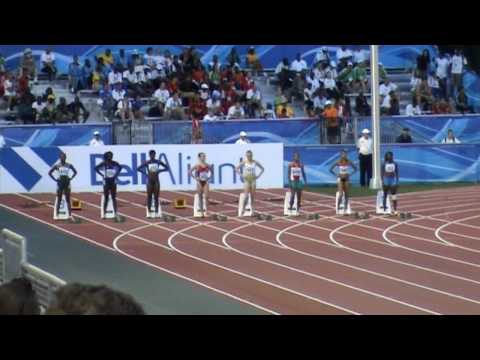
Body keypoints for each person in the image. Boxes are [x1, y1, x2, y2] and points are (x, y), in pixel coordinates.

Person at [137, 150, 169, 215]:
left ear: (155, 155)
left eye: (153, 155)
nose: (152, 156)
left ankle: (156, 211)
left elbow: (167, 168)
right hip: (149, 181)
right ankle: (149, 211)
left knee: (156, 197)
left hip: (156, 181)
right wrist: (145, 173)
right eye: (151, 155)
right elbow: (138, 168)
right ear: (149, 155)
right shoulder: (147, 162)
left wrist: (160, 170)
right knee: (149, 196)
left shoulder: (158, 162)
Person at [48, 152, 78, 218]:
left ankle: (70, 215)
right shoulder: (57, 165)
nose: (63, 158)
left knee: (68, 199)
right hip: (60, 183)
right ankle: (57, 215)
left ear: (65, 158)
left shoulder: (69, 165)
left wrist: (71, 178)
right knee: (59, 199)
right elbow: (49, 173)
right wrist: (55, 179)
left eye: (64, 157)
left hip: (67, 183)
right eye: (61, 157)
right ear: (59, 158)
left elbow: (75, 172)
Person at [236, 150, 265, 216]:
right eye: (248, 156)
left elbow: (262, 169)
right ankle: (242, 210)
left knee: (252, 196)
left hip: (253, 180)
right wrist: (242, 175)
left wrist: (258, 176)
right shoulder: (244, 162)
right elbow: (236, 168)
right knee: (246, 196)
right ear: (246, 156)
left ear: (252, 156)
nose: (249, 157)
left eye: (250, 156)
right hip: (247, 180)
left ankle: (252, 211)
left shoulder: (255, 162)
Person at [95, 151, 122, 219]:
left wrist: (116, 174)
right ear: (107, 156)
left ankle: (116, 213)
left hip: (113, 181)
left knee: (114, 198)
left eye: (111, 155)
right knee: (106, 198)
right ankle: (103, 214)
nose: (111, 157)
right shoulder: (104, 163)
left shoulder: (114, 163)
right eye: (110, 155)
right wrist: (102, 175)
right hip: (106, 181)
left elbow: (120, 167)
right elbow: (96, 168)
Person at [330, 150, 357, 214]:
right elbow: (330, 169)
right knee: (341, 194)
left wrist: (350, 174)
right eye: (343, 154)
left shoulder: (349, 162)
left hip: (346, 179)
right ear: (341, 155)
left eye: (345, 154)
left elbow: (355, 169)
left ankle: (345, 208)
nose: (344, 155)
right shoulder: (338, 162)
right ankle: (338, 207)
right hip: (340, 179)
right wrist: (336, 174)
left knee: (347, 195)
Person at [189, 153, 213, 218]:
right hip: (199, 182)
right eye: (202, 156)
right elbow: (190, 171)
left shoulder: (207, 165)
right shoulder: (197, 165)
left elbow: (212, 171)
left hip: (205, 182)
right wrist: (195, 178)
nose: (204, 157)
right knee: (200, 197)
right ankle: (202, 212)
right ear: (199, 158)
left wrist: (209, 178)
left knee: (207, 196)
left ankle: (207, 211)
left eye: (204, 156)